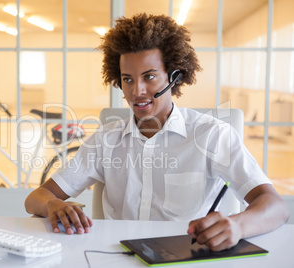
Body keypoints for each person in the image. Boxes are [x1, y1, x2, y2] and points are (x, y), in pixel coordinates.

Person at [25, 13, 289, 251]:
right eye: (127, 79)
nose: (136, 90)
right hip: (115, 255)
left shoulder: (212, 136)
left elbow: (276, 206)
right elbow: (35, 198)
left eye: (149, 76)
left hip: (186, 254)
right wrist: (53, 205)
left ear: (174, 76)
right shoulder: (106, 141)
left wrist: (239, 226)